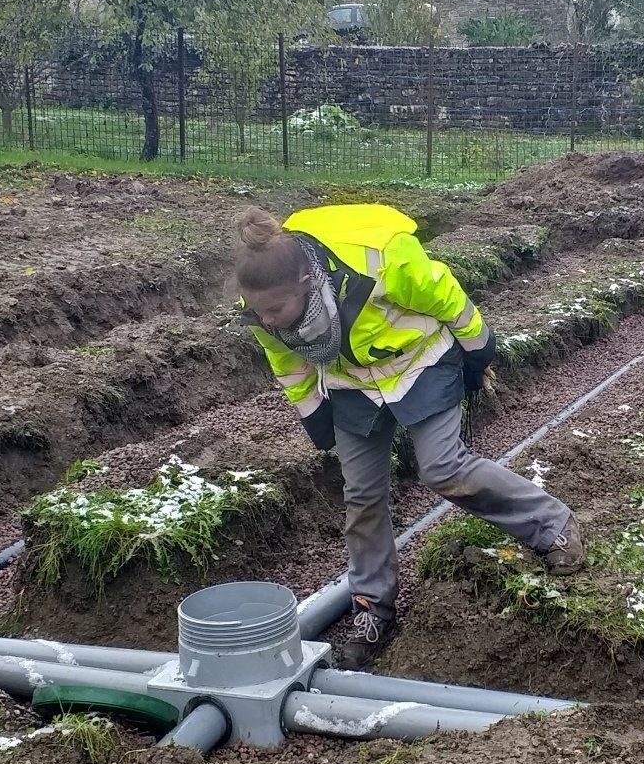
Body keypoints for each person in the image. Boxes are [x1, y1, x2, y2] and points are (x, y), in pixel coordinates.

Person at [237, 204, 586, 664]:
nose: (268, 321)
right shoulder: (263, 302)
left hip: (419, 363)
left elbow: (447, 297)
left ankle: (552, 525)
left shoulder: (381, 259)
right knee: (361, 494)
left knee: (443, 468)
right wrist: (314, 415)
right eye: (260, 313)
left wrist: (480, 351)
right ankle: (372, 608)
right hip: (353, 384)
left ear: (307, 280)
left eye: (275, 311)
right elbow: (288, 363)